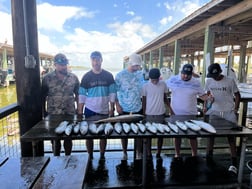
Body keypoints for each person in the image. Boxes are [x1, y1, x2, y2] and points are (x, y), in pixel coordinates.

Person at [166, 64, 208, 173]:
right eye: (183, 74)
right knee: (177, 135)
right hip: (176, 113)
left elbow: (202, 95)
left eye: (187, 75)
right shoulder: (173, 79)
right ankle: (177, 154)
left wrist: (209, 98)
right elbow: (163, 87)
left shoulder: (196, 82)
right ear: (181, 72)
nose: (184, 76)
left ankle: (194, 154)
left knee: (192, 135)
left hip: (191, 114)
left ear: (191, 74)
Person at [78, 51, 116, 160]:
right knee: (89, 135)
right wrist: (80, 110)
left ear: (101, 60)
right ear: (91, 61)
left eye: (98, 59)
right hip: (89, 109)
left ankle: (102, 155)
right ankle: (90, 155)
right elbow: (82, 95)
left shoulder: (108, 75)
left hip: (104, 110)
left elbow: (112, 92)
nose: (96, 62)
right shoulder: (86, 76)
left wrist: (112, 108)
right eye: (93, 60)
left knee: (103, 134)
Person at [204, 63, 241, 174]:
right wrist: (205, 106)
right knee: (211, 135)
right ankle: (209, 158)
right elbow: (207, 94)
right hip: (214, 111)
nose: (213, 78)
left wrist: (235, 109)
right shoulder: (209, 81)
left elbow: (237, 95)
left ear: (220, 72)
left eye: (215, 75)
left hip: (228, 112)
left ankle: (234, 162)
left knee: (231, 138)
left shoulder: (229, 81)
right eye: (212, 76)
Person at [41, 53, 80, 156]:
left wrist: (79, 110)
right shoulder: (47, 78)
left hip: (69, 113)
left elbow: (78, 95)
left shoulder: (74, 78)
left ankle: (68, 157)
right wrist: (43, 111)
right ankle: (56, 159)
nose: (63, 66)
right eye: (61, 64)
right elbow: (43, 97)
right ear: (55, 65)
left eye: (65, 64)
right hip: (53, 113)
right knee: (55, 139)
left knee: (68, 138)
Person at [115, 53, 144, 160]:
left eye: (139, 66)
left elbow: (151, 80)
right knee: (124, 133)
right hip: (124, 108)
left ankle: (138, 152)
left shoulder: (140, 74)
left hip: (137, 107)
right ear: (131, 64)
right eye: (136, 66)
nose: (138, 67)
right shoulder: (119, 75)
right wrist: (117, 106)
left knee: (139, 132)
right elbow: (114, 91)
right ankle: (124, 152)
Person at [142, 68, 173, 159]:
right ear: (150, 78)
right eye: (152, 80)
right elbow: (144, 100)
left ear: (159, 77)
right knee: (149, 135)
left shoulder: (163, 84)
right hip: (149, 114)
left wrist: (170, 108)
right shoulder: (145, 86)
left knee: (161, 134)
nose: (154, 81)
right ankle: (149, 153)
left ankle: (158, 152)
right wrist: (144, 113)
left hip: (161, 113)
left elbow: (165, 97)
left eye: (156, 79)